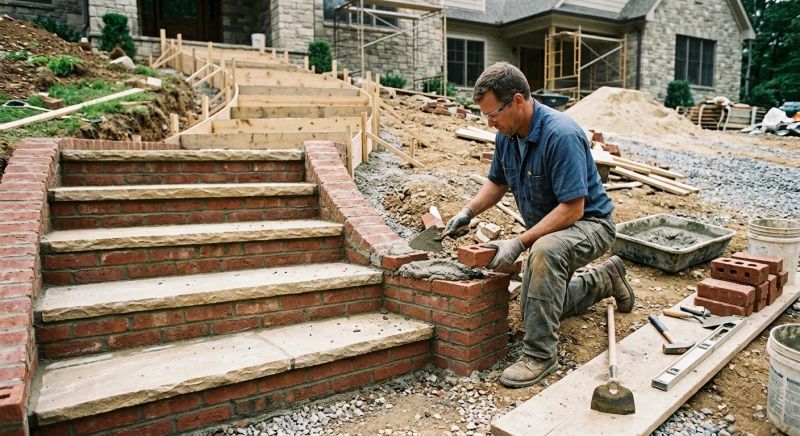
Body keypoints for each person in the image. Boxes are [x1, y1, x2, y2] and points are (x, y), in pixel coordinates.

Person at [443, 62, 635, 388]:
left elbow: (573, 209)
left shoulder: (561, 135)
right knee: (535, 308)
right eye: (485, 116)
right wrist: (468, 211)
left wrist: (520, 242)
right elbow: (497, 182)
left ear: (518, 100)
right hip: (553, 228)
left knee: (544, 252)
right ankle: (605, 280)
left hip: (590, 224)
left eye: (493, 114)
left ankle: (540, 355)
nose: (490, 123)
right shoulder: (507, 136)